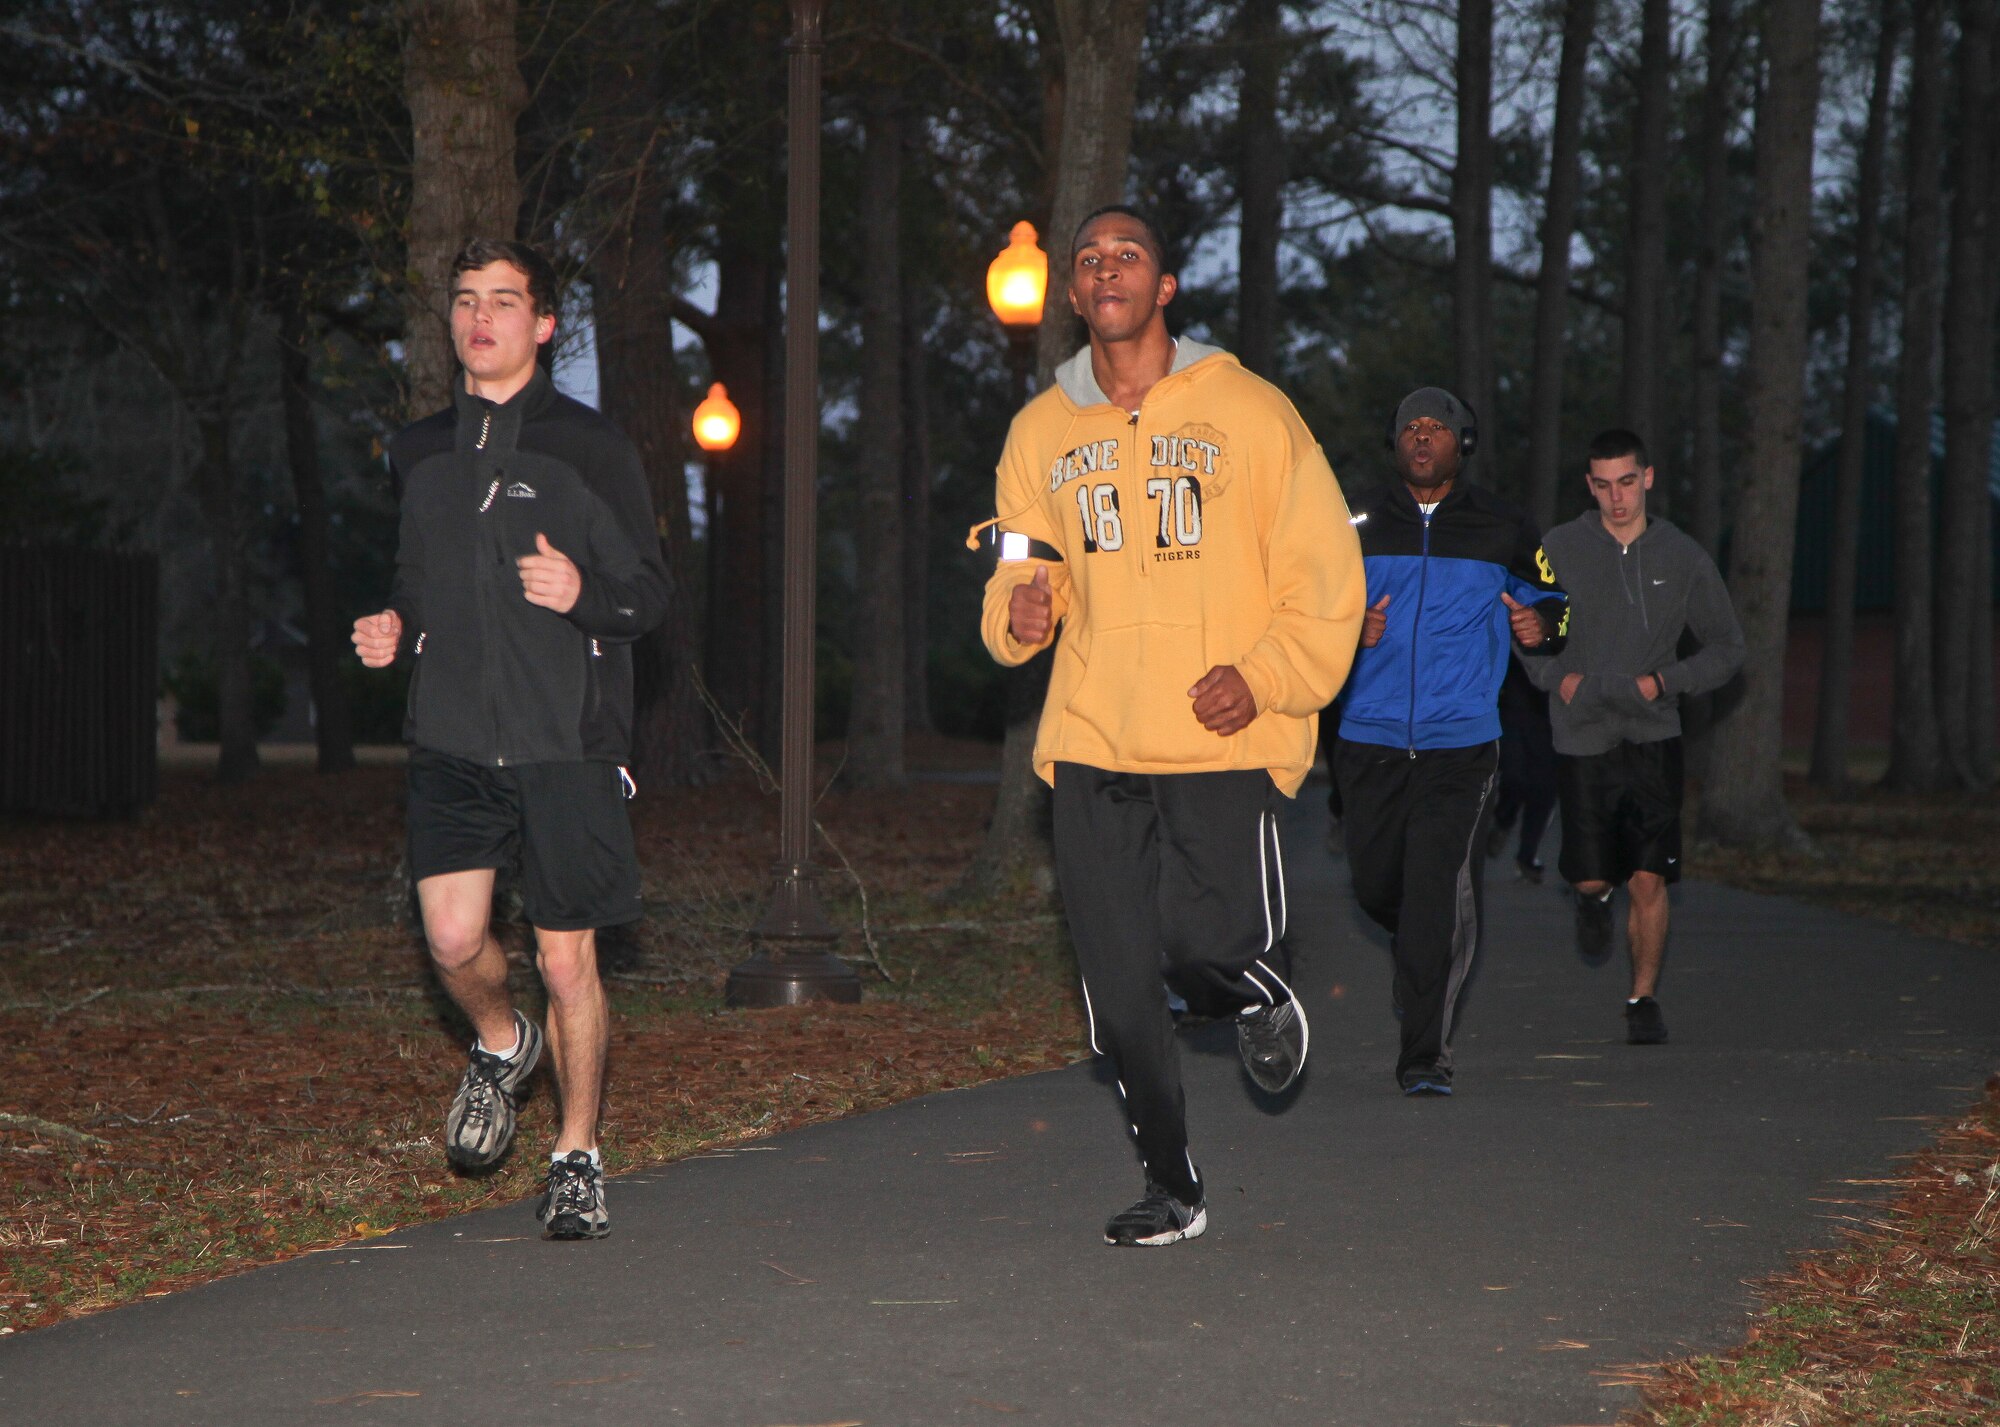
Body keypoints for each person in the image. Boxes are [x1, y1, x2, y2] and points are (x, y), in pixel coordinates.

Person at [973, 206, 1365, 1247]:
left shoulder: (1248, 411)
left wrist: (1267, 675)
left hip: (1217, 737)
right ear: (1072, 294)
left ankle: (1255, 991)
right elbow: (1023, 568)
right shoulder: (1038, 432)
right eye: (1088, 259)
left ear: (1165, 286)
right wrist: (1018, 612)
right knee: (1113, 989)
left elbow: (1324, 575)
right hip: (1094, 736)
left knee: (1201, 943)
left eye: (1126, 256)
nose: (1105, 270)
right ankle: (1172, 1186)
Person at [352, 238, 670, 1240]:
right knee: (450, 937)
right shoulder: (417, 452)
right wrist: (392, 626)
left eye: (502, 301)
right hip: (450, 732)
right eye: (463, 301)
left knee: (566, 954)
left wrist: (586, 595)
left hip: (563, 736)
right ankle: (501, 1038)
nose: (478, 317)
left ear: (541, 325)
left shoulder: (591, 449)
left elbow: (649, 595)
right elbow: (414, 579)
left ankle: (575, 1154)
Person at [1333, 387, 1565, 1096]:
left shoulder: (1502, 524)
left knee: (1435, 884)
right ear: (1396, 442)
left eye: (1437, 427)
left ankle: (1424, 1052)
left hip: (1461, 743)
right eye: (1411, 427)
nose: (1423, 436)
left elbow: (1554, 600)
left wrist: (1544, 627)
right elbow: (1299, 603)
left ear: (1461, 443)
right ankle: (1419, 957)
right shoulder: (1354, 520)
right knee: (1378, 888)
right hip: (1366, 738)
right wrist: (1345, 630)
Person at [1525, 429, 1743, 1045]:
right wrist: (1553, 676)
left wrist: (1664, 681)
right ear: (1588, 485)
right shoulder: (1559, 548)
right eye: (1602, 485)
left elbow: (1728, 648)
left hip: (1653, 733)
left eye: (1626, 482)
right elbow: (1523, 626)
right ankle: (1592, 900)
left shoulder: (1683, 556)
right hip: (1582, 733)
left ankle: (1642, 998)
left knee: (1649, 875)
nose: (1616, 498)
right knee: (1594, 875)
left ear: (1646, 479)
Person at [1487, 657, 1558, 883]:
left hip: (1551, 712)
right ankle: (1503, 819)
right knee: (1514, 778)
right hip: (1511, 707)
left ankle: (1527, 856)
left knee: (1544, 789)